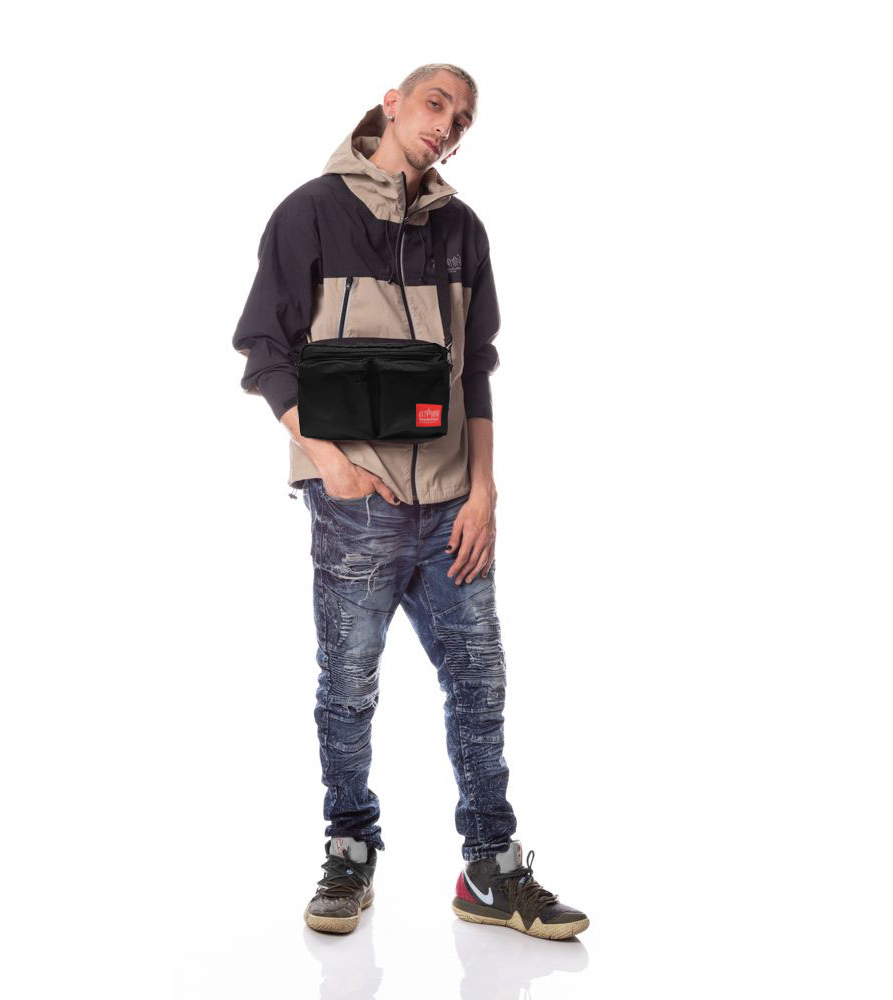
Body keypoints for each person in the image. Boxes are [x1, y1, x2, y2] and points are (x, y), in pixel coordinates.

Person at [232, 63, 589, 940]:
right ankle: (350, 852)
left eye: (462, 119)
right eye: (436, 105)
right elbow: (264, 350)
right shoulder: (311, 212)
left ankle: (490, 871)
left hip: (453, 506)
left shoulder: (462, 230)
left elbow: (476, 369)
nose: (447, 126)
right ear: (392, 104)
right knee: (349, 688)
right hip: (355, 501)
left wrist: (485, 490)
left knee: (480, 685)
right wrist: (330, 465)